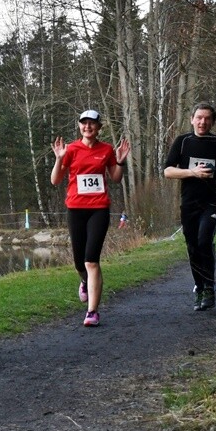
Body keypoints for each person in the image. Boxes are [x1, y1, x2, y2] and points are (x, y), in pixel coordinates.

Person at [51, 109, 130, 327]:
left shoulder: (106, 150)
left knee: (91, 260)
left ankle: (92, 312)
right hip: (75, 209)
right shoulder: (71, 149)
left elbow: (115, 179)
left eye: (92, 123)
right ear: (79, 126)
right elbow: (55, 180)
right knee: (79, 262)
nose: (88, 127)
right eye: (84, 123)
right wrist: (59, 159)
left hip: (99, 209)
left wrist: (120, 162)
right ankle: (85, 282)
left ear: (98, 127)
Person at [163, 102, 216, 311]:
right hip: (189, 203)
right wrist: (192, 173)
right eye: (199, 117)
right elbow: (167, 171)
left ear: (212, 121)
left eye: (207, 118)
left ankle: (210, 288)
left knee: (204, 240)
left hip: (212, 201)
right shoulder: (183, 142)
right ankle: (200, 287)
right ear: (192, 119)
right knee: (193, 246)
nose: (203, 122)